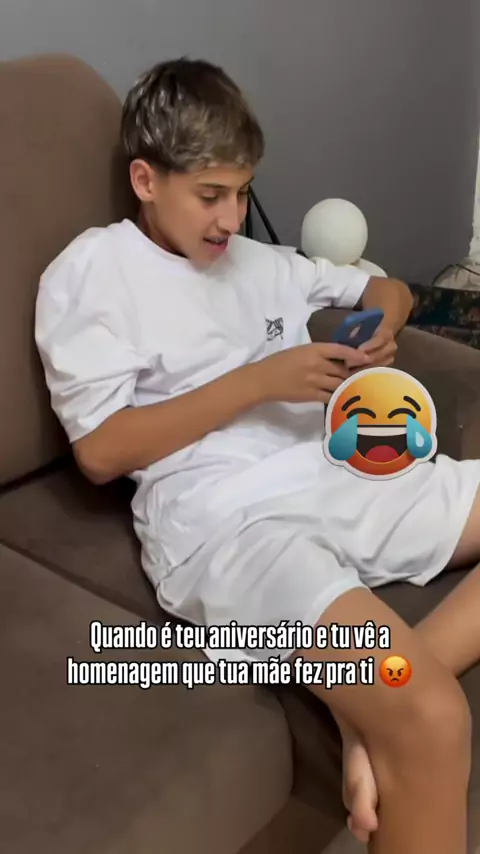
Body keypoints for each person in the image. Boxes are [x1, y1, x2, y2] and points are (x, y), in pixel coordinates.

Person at [35, 57, 480, 853]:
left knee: (403, 698)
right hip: (227, 526)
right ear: (145, 178)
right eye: (210, 194)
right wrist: (258, 382)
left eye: (242, 193)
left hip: (330, 473)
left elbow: (386, 289)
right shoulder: (95, 272)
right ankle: (390, 712)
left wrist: (382, 324)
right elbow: (100, 451)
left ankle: (364, 720)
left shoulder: (261, 263)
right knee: (432, 717)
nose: (230, 219)